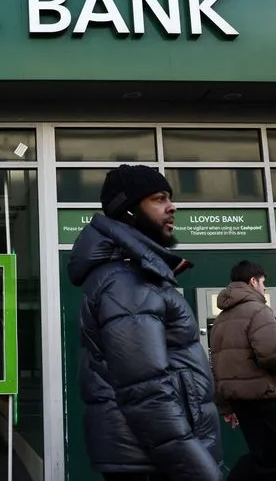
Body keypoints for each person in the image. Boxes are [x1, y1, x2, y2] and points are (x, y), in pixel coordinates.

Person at [67, 164, 223, 481]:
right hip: (153, 461)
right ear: (127, 211)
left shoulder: (137, 274)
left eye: (170, 197)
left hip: (150, 456)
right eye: (158, 198)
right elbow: (147, 392)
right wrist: (200, 471)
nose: (172, 206)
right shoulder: (126, 283)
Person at [209, 261, 276, 481]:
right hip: (260, 396)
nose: (264, 288)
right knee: (273, 461)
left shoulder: (221, 318)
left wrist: (226, 405)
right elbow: (271, 354)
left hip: (239, 400)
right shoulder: (259, 310)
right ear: (253, 281)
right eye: (263, 282)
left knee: (263, 456)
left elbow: (217, 365)